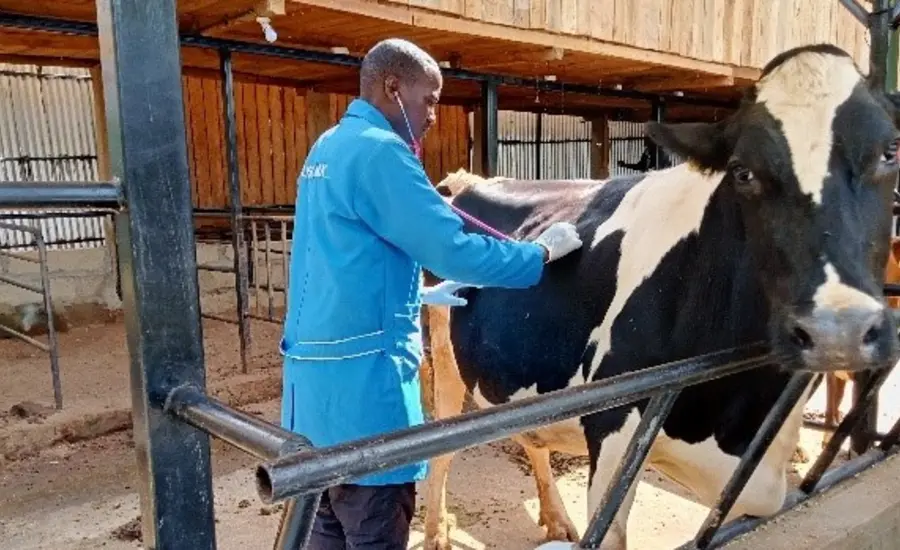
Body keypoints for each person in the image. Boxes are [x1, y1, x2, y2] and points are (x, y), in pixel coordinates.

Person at [279, 37, 583, 549]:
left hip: (311, 401)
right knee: (376, 526)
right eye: (430, 99)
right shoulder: (382, 153)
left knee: (324, 528)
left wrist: (418, 298)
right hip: (367, 396)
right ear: (393, 87)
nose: (433, 115)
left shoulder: (328, 146)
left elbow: (337, 263)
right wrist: (541, 255)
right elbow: (452, 248)